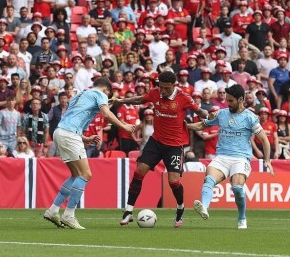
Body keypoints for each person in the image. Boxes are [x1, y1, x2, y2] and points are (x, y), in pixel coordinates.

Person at [115, 71, 208, 228]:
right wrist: (121, 100)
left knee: (173, 181)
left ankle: (180, 207)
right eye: (160, 87)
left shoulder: (183, 98)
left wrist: (208, 116)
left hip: (175, 146)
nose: (162, 91)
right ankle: (128, 211)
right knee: (139, 172)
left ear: (173, 85)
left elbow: (200, 111)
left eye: (166, 88)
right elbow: (140, 99)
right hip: (156, 142)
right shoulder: (155, 93)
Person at [43, 77, 135, 230]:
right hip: (70, 135)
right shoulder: (101, 94)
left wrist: (84, 137)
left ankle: (53, 210)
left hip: (60, 133)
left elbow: (71, 118)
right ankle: (69, 214)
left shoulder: (80, 95)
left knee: (75, 175)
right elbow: (106, 114)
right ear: (106, 89)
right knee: (85, 175)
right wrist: (123, 126)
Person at [187, 84, 274, 229]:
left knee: (237, 188)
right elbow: (202, 125)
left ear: (240, 99)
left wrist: (267, 160)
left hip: (240, 158)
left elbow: (264, 140)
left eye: (231, 101)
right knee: (209, 179)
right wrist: (186, 126)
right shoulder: (221, 114)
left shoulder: (250, 117)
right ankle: (204, 208)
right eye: (227, 100)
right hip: (222, 157)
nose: (228, 104)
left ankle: (242, 218)